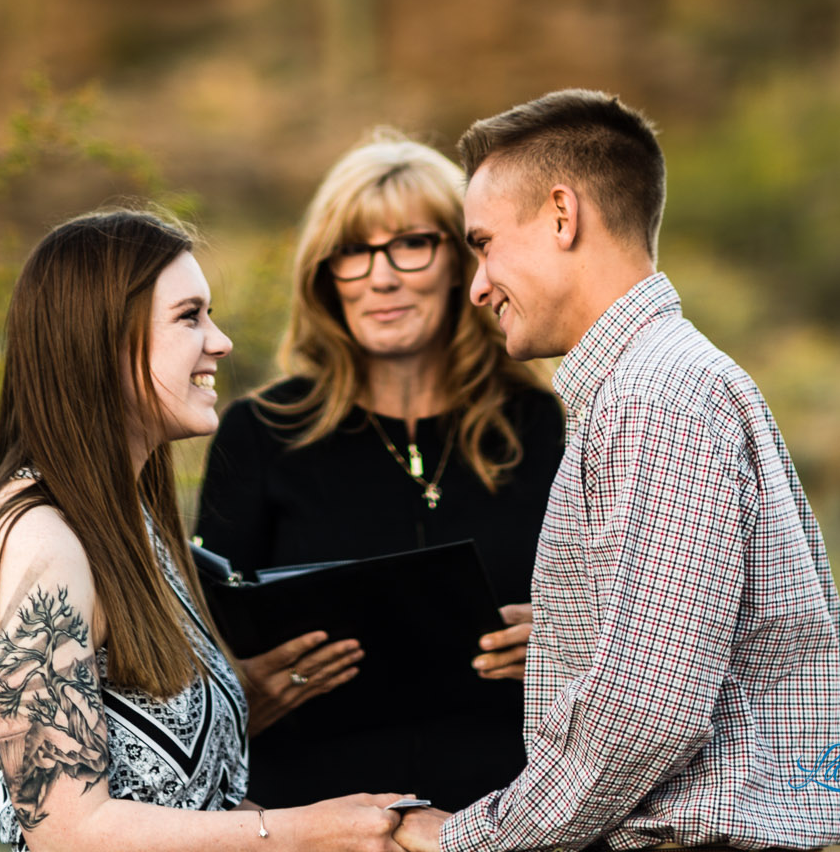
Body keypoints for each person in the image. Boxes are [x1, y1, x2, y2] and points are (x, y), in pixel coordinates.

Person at [392, 90, 840, 852]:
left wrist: (469, 840)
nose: (476, 285)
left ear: (561, 215)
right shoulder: (659, 383)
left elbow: (648, 708)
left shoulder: (651, 397)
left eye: (483, 244)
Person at [0, 206, 409, 852]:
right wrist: (306, 831)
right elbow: (67, 833)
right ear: (101, 339)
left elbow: (186, 800)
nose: (219, 341)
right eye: (189, 317)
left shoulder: (131, 524)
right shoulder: (37, 542)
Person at [198, 135, 565, 815]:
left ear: (464, 260)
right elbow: (204, 640)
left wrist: (565, 639)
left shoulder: (542, 424)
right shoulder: (259, 433)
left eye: (411, 244)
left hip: (509, 810)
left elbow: (614, 616)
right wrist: (241, 690)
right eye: (353, 251)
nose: (381, 276)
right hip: (316, 812)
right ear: (325, 274)